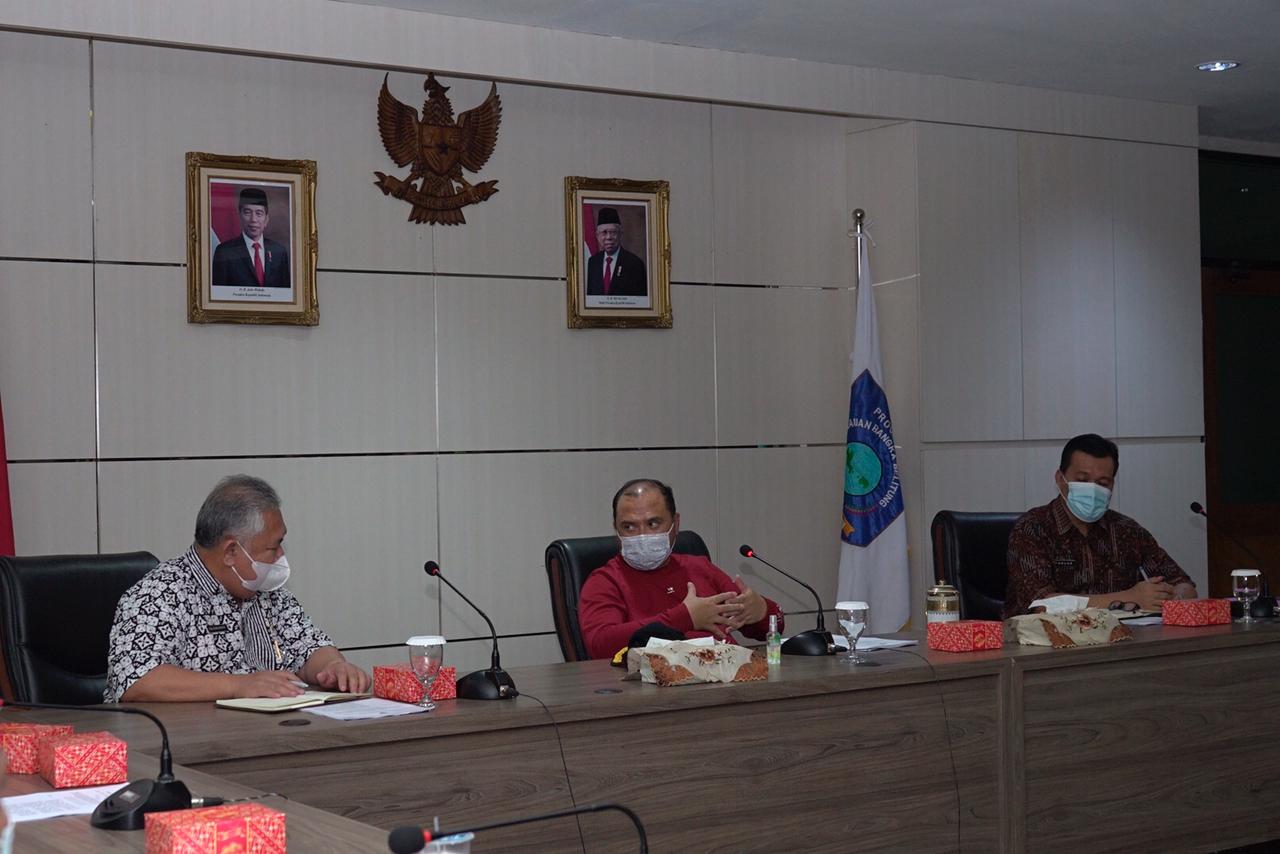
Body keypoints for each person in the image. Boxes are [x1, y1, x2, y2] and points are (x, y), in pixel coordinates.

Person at [105, 475, 369, 702]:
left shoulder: (268, 593)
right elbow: (137, 680)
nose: (280, 555)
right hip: (185, 740)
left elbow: (309, 647)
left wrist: (334, 667)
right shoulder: (159, 594)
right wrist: (238, 685)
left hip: (267, 733)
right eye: (273, 546)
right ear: (231, 551)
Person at [577, 478, 784, 659]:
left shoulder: (699, 568)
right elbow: (600, 646)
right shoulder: (604, 581)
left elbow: (770, 627)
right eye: (629, 526)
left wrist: (762, 610)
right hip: (657, 686)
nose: (642, 535)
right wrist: (685, 618)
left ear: (675, 524)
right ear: (616, 529)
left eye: (653, 523)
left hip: (727, 678)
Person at [1004, 433, 1197, 617]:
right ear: (1060, 479)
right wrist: (1130, 597)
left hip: (1123, 637)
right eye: (1082, 480)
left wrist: (1172, 598)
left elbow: (1184, 585)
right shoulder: (1032, 528)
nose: (1093, 489)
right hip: (1045, 638)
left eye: (1103, 483)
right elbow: (1041, 605)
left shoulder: (1127, 531)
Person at [211, 187, 291, 288]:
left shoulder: (279, 252)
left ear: (266, 219)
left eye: (259, 213)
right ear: (239, 216)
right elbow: (218, 293)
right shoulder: (224, 252)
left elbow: (285, 293)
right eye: (247, 212)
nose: (253, 219)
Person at [585, 207, 647, 297]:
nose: (608, 237)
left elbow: (641, 300)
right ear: (597, 236)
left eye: (613, 232)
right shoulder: (592, 262)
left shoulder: (635, 264)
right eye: (604, 232)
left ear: (620, 234)